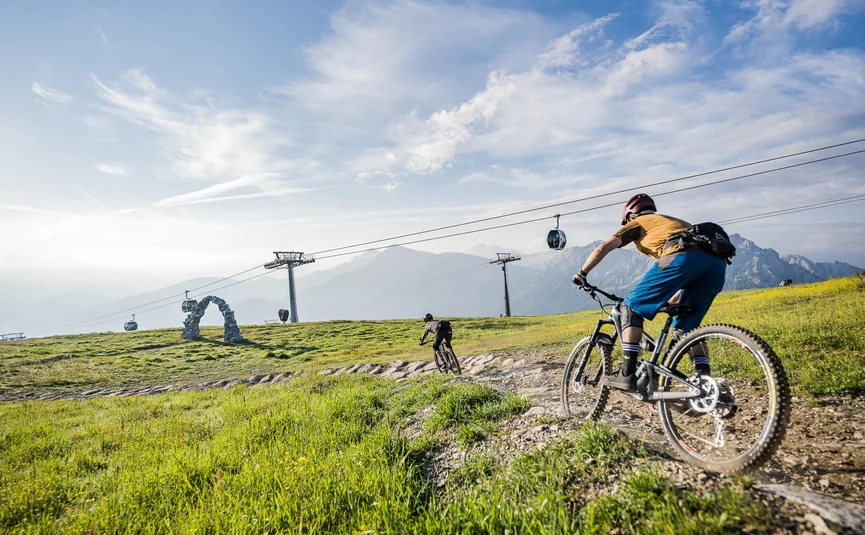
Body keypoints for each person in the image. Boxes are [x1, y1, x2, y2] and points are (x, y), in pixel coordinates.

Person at [572, 193, 727, 392]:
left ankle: (627, 375)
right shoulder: (672, 222)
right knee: (686, 330)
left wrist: (581, 273)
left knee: (630, 307)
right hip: (717, 265)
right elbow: (695, 265)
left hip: (684, 257)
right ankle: (704, 384)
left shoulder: (639, 222)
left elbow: (603, 247)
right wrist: (674, 295)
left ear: (629, 215)